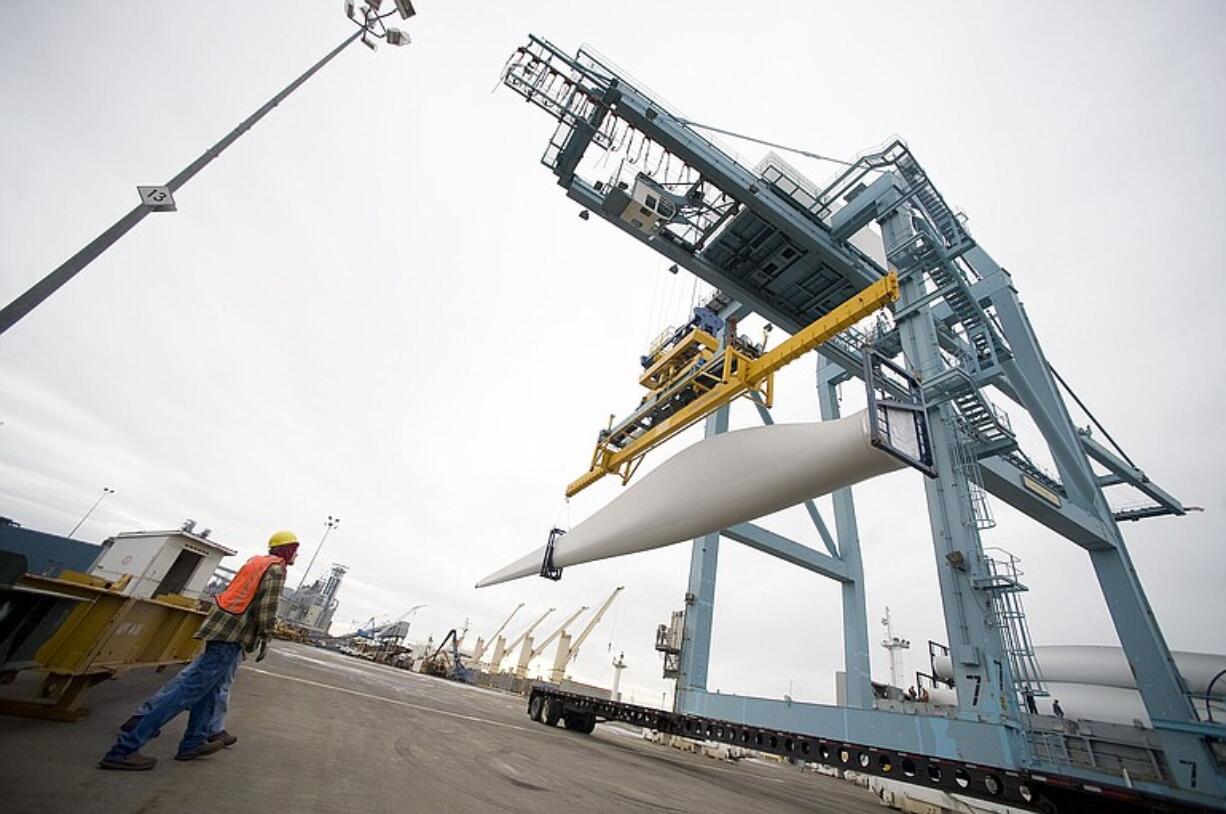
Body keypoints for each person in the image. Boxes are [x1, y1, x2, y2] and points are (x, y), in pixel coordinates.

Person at [98, 530, 299, 770]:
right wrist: (266, 635)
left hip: (220, 629)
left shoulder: (255, 562)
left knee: (209, 691)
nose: (297, 554)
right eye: (295, 549)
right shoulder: (277, 569)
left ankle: (193, 742)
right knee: (189, 690)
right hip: (233, 635)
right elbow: (267, 607)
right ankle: (125, 748)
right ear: (286, 550)